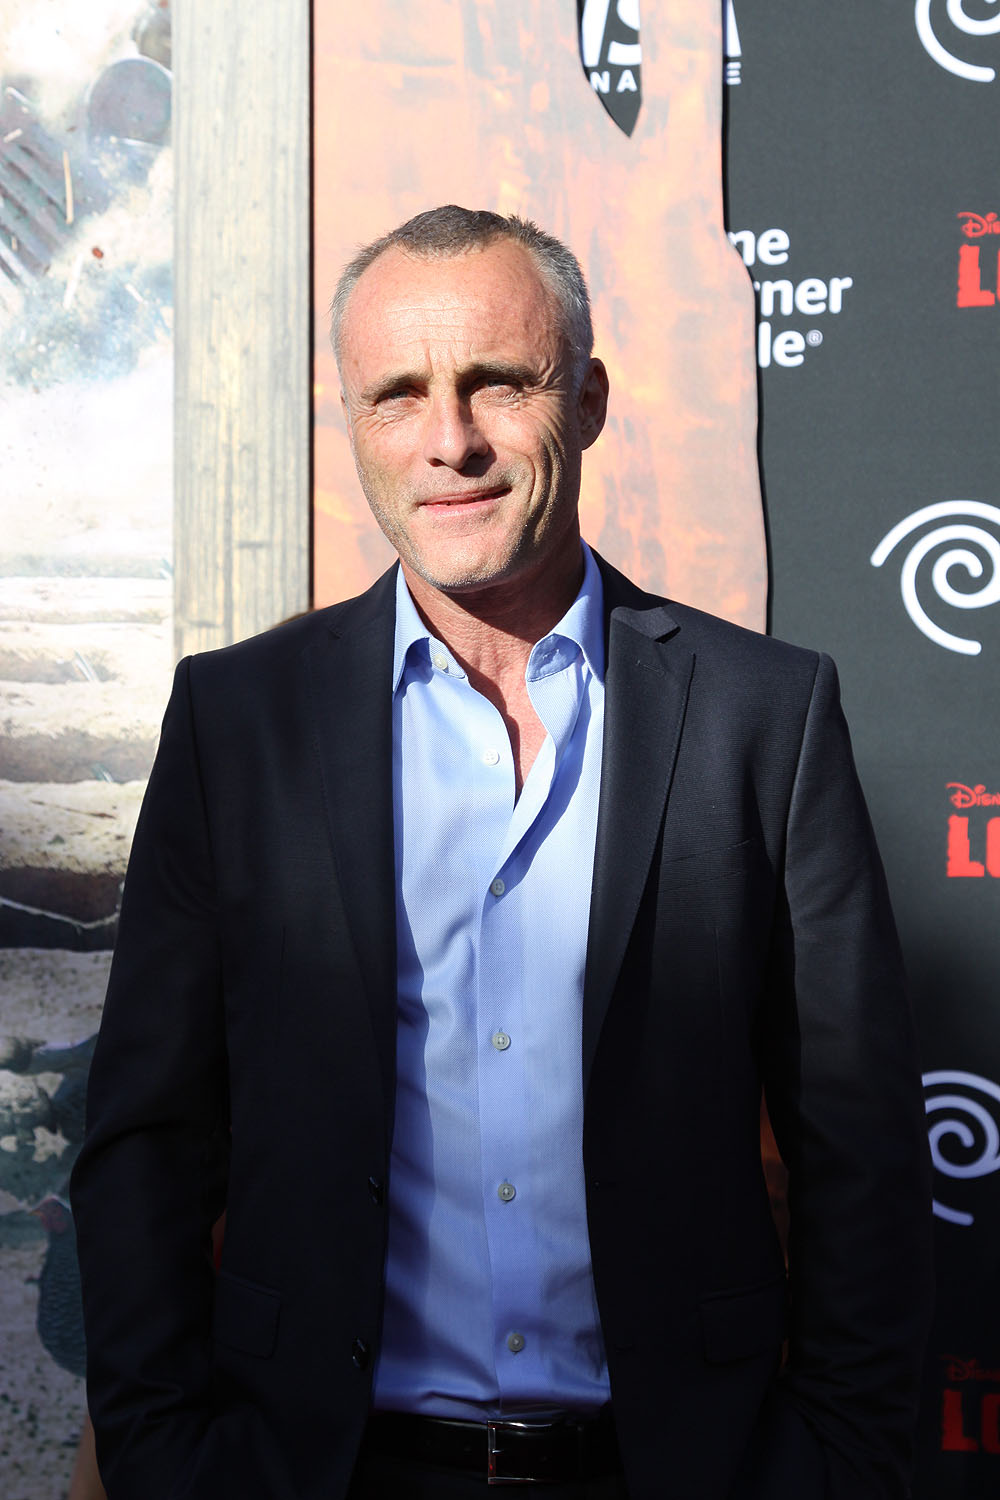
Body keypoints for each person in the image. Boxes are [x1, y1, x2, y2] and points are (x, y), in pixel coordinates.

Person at [71, 206, 933, 1500]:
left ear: (586, 400)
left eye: (497, 383)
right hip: (315, 1471)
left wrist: (837, 1467)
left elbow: (859, 1144)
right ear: (352, 423)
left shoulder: (764, 714)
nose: (450, 440)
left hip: (681, 1471)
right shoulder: (238, 722)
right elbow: (147, 1138)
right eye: (397, 395)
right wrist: (167, 1459)